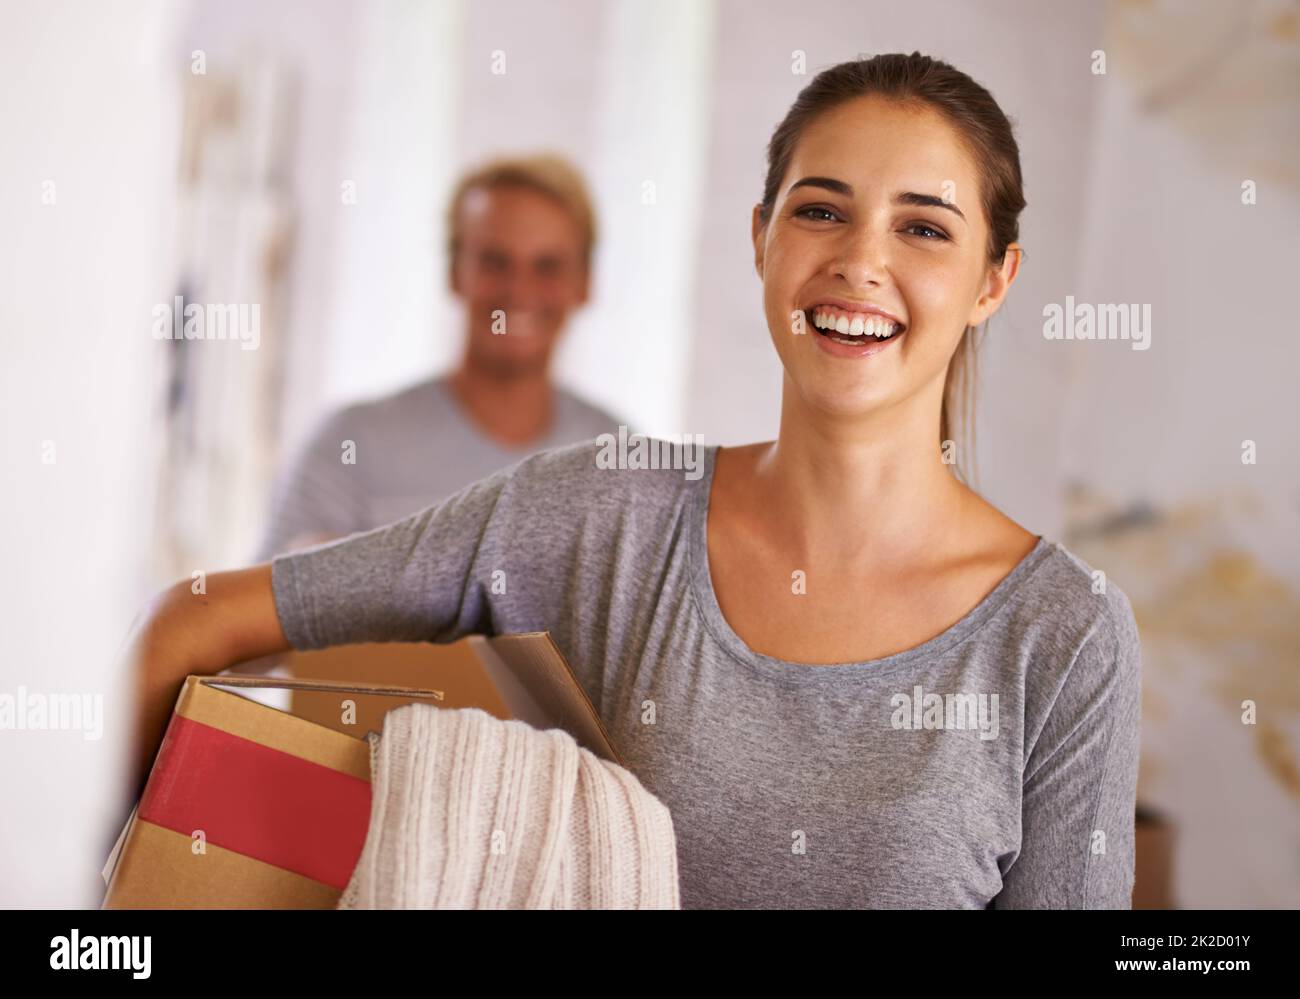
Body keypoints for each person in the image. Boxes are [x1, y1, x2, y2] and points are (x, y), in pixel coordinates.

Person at [125, 53, 1142, 909]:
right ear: (761, 237)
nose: (860, 262)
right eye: (821, 210)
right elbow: (189, 620)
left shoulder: (1063, 637)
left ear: (993, 281)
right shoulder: (597, 513)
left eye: (923, 227)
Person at [256, 153, 627, 559]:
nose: (518, 291)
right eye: (494, 262)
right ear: (454, 272)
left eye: (547, 266)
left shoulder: (618, 459)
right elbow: (262, 611)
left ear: (586, 283)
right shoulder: (351, 444)